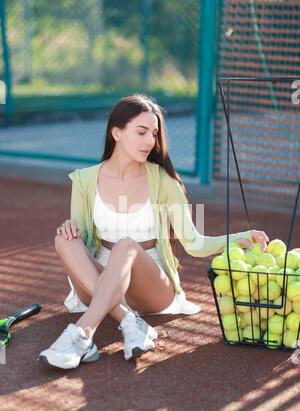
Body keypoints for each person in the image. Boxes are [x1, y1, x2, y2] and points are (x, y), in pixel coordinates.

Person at [38, 94, 269, 369]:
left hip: (151, 285)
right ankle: (128, 320)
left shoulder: (163, 180)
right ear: (116, 132)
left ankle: (82, 333)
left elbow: (194, 243)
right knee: (64, 241)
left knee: (125, 245)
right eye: (141, 131)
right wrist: (71, 229)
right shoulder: (84, 179)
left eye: (154, 133)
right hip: (98, 280)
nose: (150, 141)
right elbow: (84, 240)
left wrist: (241, 237)